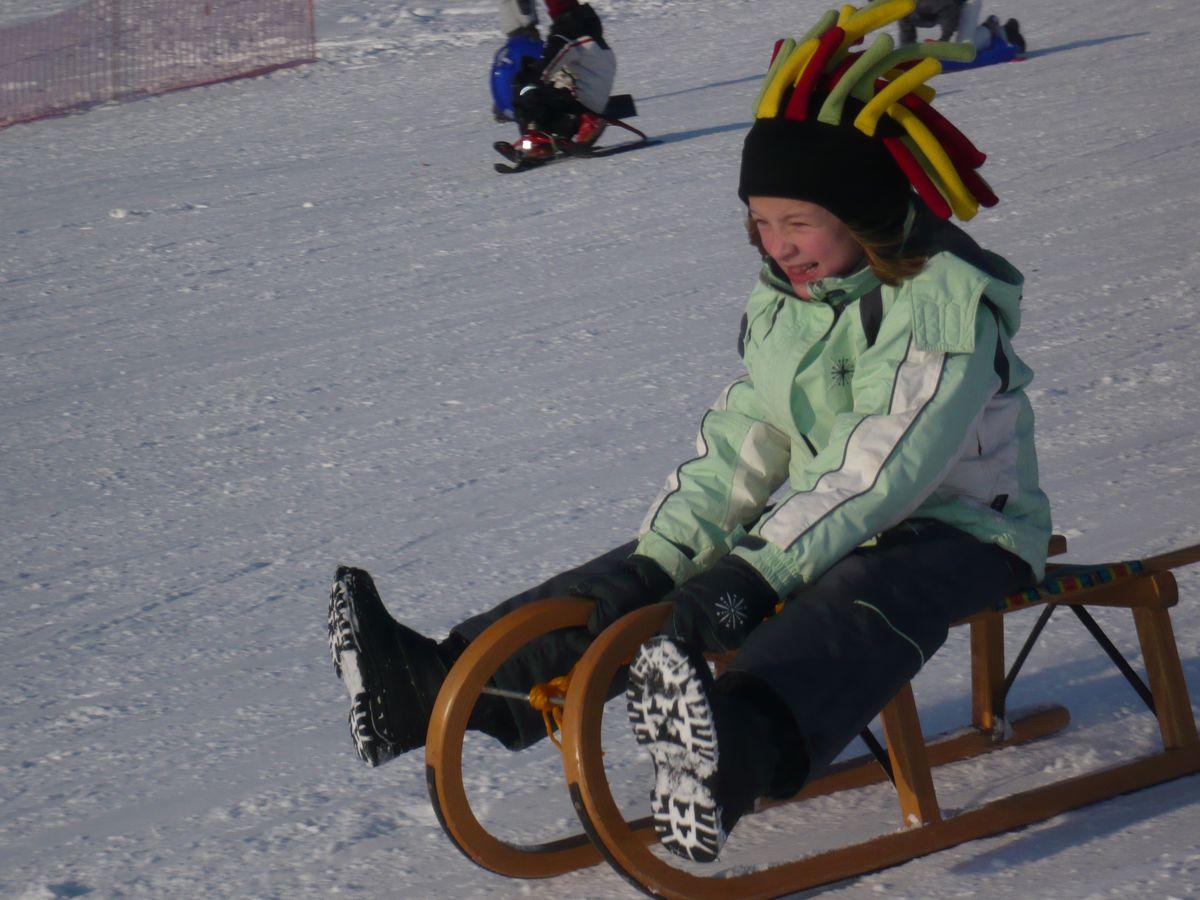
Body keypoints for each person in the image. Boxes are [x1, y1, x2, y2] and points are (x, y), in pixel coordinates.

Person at [328, 4, 1051, 866]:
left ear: (862, 214)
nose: (779, 245)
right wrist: (665, 558)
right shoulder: (794, 302)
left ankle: (733, 752)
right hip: (833, 518)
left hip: (965, 531)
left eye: (800, 222)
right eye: (762, 222)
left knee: (854, 599)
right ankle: (446, 685)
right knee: (641, 572)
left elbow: (885, 471)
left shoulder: (944, 307)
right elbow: (748, 438)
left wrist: (759, 571)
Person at [505, 0, 616, 158]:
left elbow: (546, 68)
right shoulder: (586, 28)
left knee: (525, 84)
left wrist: (529, 82)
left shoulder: (566, 34)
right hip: (596, 95)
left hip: (580, 104)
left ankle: (535, 142)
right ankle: (543, 140)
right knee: (541, 84)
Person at [899, 0, 1024, 53]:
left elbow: (948, 8)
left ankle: (1002, 30)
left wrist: (943, 41)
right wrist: (907, 51)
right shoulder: (900, 6)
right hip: (947, 10)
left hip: (966, 4)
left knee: (966, 48)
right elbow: (905, 26)